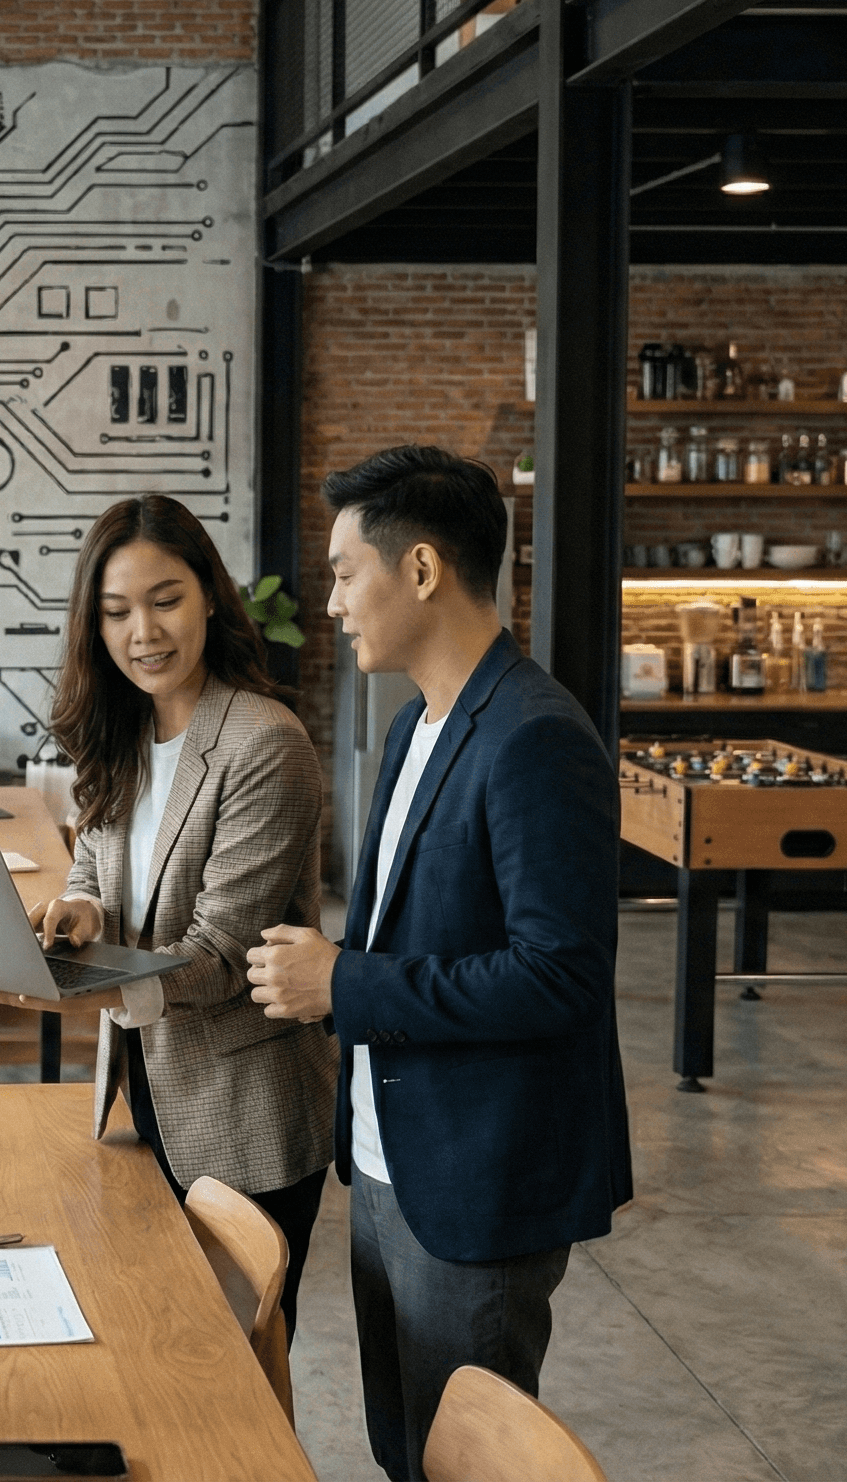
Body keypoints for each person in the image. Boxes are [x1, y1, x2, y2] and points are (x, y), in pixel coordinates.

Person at [245, 445, 629, 1481]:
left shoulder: (533, 736)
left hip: (476, 1176)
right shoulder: (421, 722)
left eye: (341, 572)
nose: (329, 602)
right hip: (387, 1158)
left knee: (466, 1465)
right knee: (400, 1450)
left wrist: (343, 983)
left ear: (418, 571)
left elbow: (560, 976)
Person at [0, 494, 334, 1332]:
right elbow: (97, 864)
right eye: (116, 612)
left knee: (229, 1372)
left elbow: (222, 955)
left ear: (211, 597)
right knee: (163, 1339)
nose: (143, 633)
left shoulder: (264, 742)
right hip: (143, 1083)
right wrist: (78, 910)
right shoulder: (123, 734)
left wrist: (54, 983)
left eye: (166, 600)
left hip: (241, 1104)